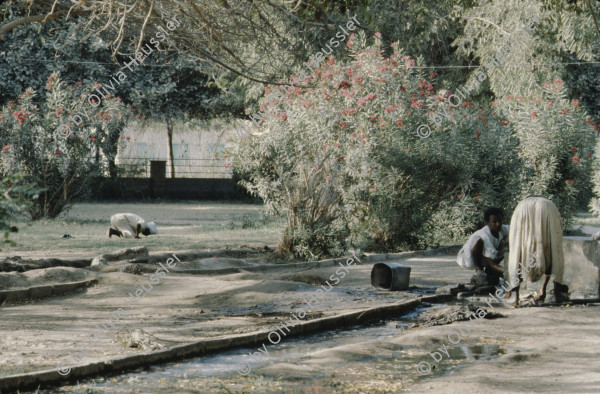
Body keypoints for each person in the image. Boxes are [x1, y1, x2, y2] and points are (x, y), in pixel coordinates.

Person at [504, 196, 569, 306]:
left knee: (517, 250)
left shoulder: (520, 205)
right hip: (548, 208)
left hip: (522, 208)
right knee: (553, 249)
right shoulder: (550, 204)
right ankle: (556, 294)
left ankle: (515, 295)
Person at [457, 207, 510, 289]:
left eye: (500, 221)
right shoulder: (485, 235)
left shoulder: (502, 229)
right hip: (466, 260)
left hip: (485, 258)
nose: (498, 224)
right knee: (478, 240)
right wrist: (509, 272)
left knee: (508, 240)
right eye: (494, 222)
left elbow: (516, 229)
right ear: (487, 223)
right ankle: (479, 270)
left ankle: (490, 271)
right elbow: (493, 265)